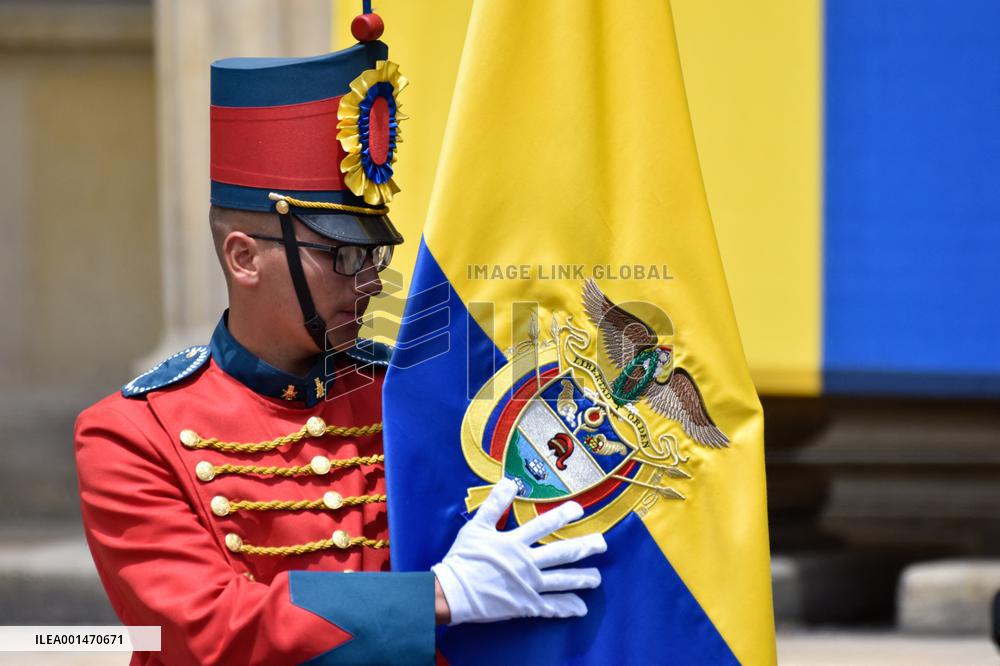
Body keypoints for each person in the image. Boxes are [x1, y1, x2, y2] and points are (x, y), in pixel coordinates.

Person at [74, 9, 606, 666]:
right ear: (245, 258)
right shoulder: (130, 435)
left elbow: (571, 495)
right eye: (345, 258)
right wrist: (435, 596)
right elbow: (205, 629)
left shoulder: (411, 392)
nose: (372, 283)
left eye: (375, 258)